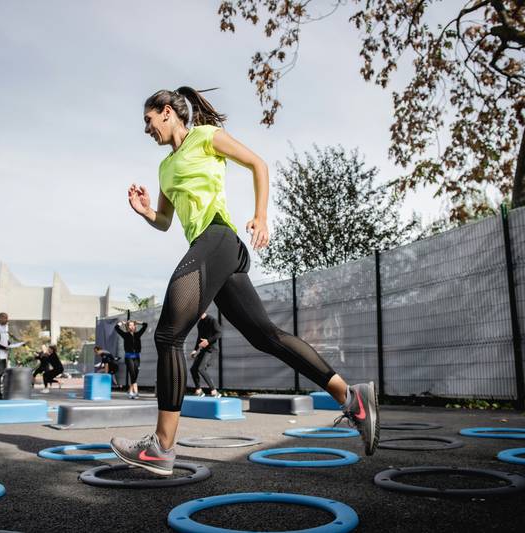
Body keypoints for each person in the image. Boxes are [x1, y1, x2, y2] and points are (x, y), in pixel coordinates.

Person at [110, 87, 379, 476]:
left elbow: (258, 164)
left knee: (168, 336)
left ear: (167, 112)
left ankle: (161, 447)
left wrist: (261, 215)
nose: (147, 129)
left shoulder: (204, 137)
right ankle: (351, 397)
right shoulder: (165, 168)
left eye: (149, 120)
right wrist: (146, 210)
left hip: (218, 238)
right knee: (265, 336)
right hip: (213, 251)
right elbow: (167, 221)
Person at [189, 312, 222, 398]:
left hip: (212, 350)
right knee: (193, 369)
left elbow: (219, 333)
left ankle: (214, 391)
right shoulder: (200, 323)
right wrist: (195, 350)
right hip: (204, 350)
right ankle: (199, 390)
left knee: (201, 368)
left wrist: (207, 341)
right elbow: (199, 338)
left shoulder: (212, 320)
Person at [114, 320, 147, 399]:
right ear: (127, 327)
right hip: (128, 357)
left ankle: (130, 391)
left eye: (133, 325)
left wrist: (138, 322)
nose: (131, 327)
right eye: (130, 325)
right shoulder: (125, 335)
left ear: (135, 326)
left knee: (135, 374)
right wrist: (121, 323)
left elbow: (145, 325)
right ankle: (135, 392)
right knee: (132, 374)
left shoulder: (138, 334)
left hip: (137, 357)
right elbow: (116, 327)